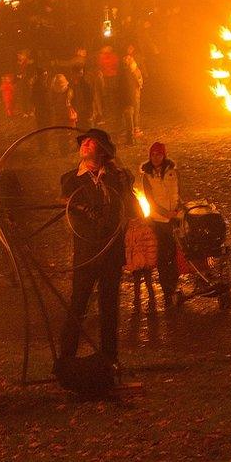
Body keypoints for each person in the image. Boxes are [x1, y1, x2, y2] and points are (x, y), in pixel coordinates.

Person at [59, 128, 137, 366]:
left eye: (91, 143)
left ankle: (109, 359)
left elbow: (132, 211)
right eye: (83, 142)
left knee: (109, 308)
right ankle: (66, 360)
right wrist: (81, 208)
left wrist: (125, 183)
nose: (85, 145)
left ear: (102, 151)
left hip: (111, 253)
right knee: (78, 305)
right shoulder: (70, 179)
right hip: (86, 254)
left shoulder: (116, 178)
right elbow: (67, 206)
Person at [140, 141, 180, 308]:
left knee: (175, 253)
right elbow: (150, 199)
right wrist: (165, 213)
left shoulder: (173, 172)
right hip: (159, 220)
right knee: (163, 256)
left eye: (159, 154)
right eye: (153, 155)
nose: (156, 158)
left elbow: (178, 191)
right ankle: (167, 290)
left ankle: (174, 285)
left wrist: (176, 210)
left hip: (175, 218)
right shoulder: (147, 176)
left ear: (164, 155)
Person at [120, 52, 144, 144]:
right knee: (131, 113)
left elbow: (139, 81)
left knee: (134, 112)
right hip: (132, 95)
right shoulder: (128, 71)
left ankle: (135, 130)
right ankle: (132, 131)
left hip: (134, 94)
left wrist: (138, 85)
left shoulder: (133, 71)